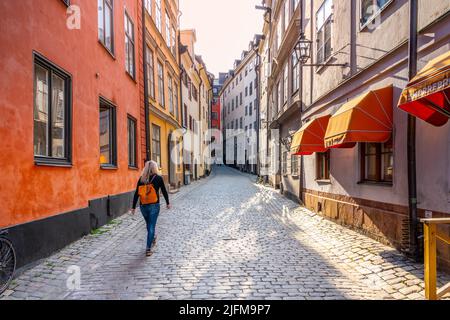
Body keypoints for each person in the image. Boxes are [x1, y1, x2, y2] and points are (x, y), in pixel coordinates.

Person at [131, 160, 171, 256]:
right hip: (154, 205)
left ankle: (152, 238)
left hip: (143, 206)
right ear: (155, 168)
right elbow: (164, 191)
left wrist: (133, 207)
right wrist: (167, 203)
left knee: (149, 224)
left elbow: (136, 193)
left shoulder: (141, 179)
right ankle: (148, 249)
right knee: (151, 225)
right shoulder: (158, 178)